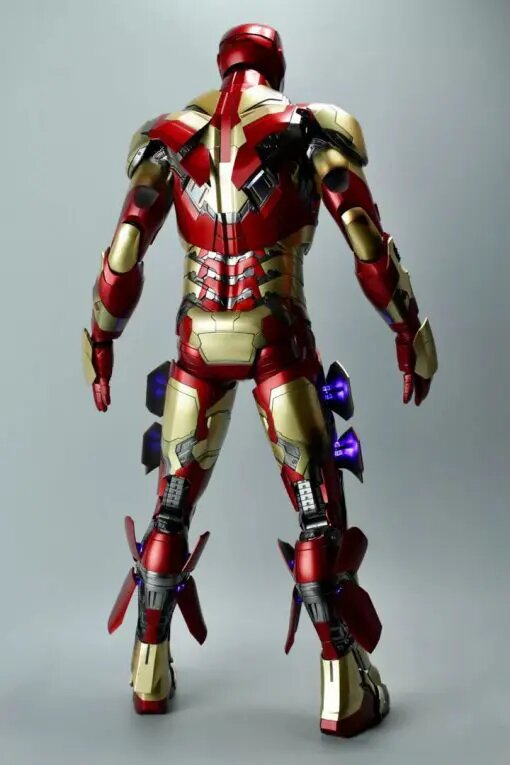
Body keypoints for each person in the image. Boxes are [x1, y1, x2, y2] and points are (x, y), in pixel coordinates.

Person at [83, 23, 437, 737]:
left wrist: (101, 336)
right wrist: (410, 328)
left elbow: (125, 248)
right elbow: (364, 233)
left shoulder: (169, 138)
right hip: (276, 335)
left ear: (223, 65)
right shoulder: (307, 128)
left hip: (197, 343)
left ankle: (148, 671)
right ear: (275, 65)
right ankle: (343, 690)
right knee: (316, 515)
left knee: (170, 509)